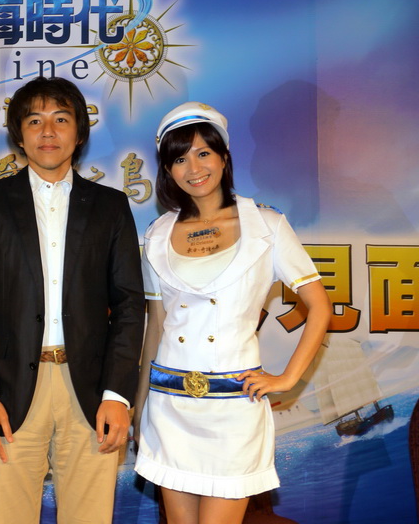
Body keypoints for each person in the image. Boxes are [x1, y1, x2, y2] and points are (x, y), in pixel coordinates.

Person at [0, 76, 145, 524]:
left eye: (61, 119)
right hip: (9, 392)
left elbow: (130, 305)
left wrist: (118, 393)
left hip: (91, 394)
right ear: (18, 135)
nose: (48, 132)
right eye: (34, 121)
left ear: (79, 133)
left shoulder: (110, 206)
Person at [134, 101, 331, 524]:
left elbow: (320, 305)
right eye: (180, 159)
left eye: (204, 153)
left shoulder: (267, 226)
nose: (194, 168)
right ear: (168, 170)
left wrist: (288, 378)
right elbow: (157, 325)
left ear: (224, 157)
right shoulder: (156, 235)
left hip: (233, 407)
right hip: (169, 407)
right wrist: (139, 405)